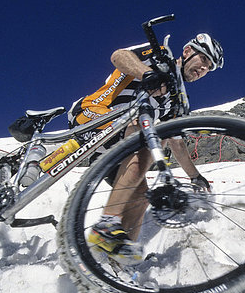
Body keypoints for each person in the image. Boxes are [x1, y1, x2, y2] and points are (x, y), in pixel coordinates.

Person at [68, 33, 224, 264]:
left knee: (140, 199)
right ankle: (106, 225)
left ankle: (118, 265)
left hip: (120, 142)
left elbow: (177, 142)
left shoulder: (177, 99)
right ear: (188, 51)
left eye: (209, 68)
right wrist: (147, 74)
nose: (203, 69)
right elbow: (119, 56)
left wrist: (195, 176)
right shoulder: (162, 57)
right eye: (203, 59)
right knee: (146, 135)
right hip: (93, 114)